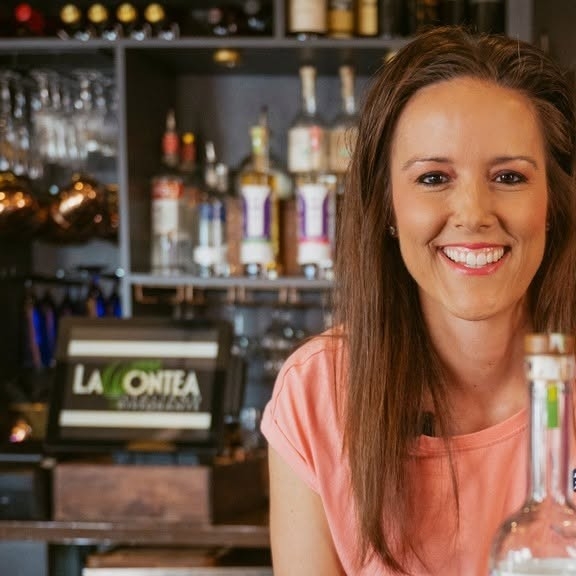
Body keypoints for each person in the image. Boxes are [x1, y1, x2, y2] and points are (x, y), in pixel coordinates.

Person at [260, 25, 576, 575]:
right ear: (387, 205)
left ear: (551, 202)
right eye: (433, 178)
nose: (473, 213)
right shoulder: (318, 394)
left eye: (509, 176)